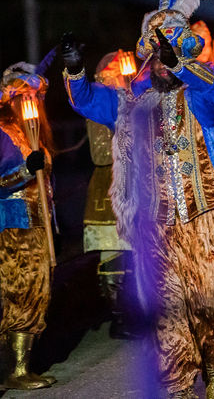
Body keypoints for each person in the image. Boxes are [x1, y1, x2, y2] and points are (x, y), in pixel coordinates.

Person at [62, 0, 214, 399]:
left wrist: (183, 65)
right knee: (168, 310)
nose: (161, 63)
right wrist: (76, 71)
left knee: (210, 298)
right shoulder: (132, 104)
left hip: (203, 216)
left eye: (168, 55)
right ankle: (178, 384)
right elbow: (88, 101)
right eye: (155, 56)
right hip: (157, 225)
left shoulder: (201, 94)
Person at [0, 51, 58, 390]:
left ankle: (24, 363)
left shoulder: (36, 135)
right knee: (22, 288)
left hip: (37, 221)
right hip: (12, 222)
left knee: (40, 285)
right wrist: (26, 169)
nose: (30, 101)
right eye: (23, 96)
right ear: (10, 100)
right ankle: (14, 368)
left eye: (34, 96)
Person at [81, 51, 134, 339]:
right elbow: (100, 154)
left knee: (135, 254)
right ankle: (119, 319)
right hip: (109, 188)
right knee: (115, 256)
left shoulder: (131, 100)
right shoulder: (100, 103)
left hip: (131, 185)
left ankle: (135, 313)